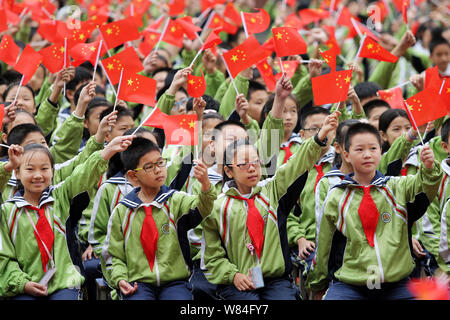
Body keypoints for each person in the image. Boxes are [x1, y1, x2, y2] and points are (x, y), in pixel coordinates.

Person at [201, 110, 340, 300]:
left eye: (256, 163)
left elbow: (296, 164)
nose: (251, 168)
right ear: (229, 171)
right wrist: (233, 275)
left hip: (275, 281)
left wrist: (320, 135)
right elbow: (212, 256)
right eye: (243, 164)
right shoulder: (217, 206)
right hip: (238, 281)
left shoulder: (271, 190)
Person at [308, 122, 441, 300]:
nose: (367, 154)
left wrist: (430, 166)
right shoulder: (336, 196)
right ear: (346, 154)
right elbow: (324, 244)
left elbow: (426, 185)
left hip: (397, 283)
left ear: (380, 151)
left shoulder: (397, 186)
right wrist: (318, 283)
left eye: (373, 148)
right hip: (351, 284)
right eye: (360, 149)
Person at [0, 135, 135, 299]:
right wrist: (23, 284)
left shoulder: (60, 197)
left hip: (64, 283)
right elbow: (4, 257)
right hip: (23, 286)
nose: (38, 175)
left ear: (52, 171)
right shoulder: (8, 210)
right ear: (17, 173)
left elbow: (83, 174)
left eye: (44, 169)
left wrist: (107, 151)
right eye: (29, 169)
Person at [103, 138, 217, 300]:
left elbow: (203, 208)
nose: (158, 170)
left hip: (175, 281)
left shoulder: (176, 200)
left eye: (160, 162)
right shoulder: (122, 211)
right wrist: (120, 278)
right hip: (138, 282)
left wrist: (205, 184)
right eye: (149, 166)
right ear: (133, 176)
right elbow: (114, 255)